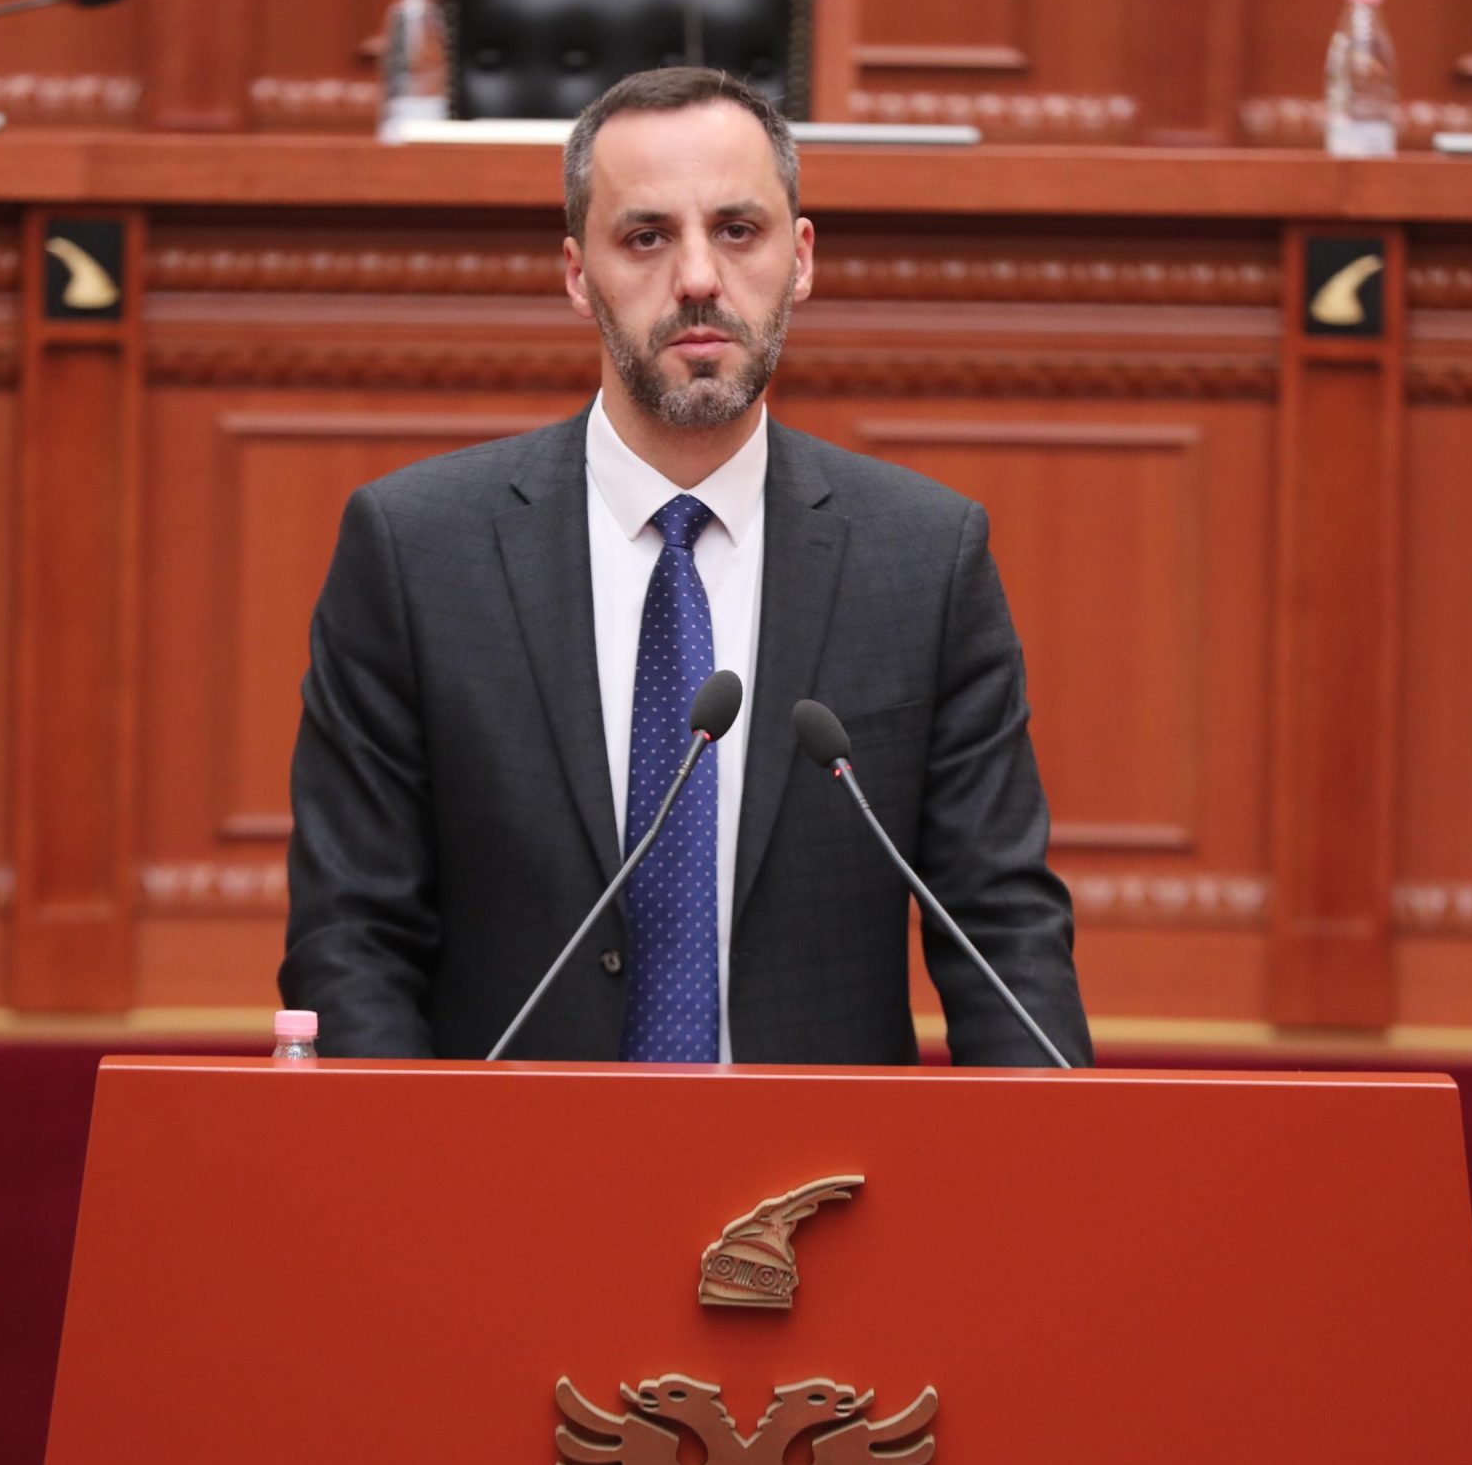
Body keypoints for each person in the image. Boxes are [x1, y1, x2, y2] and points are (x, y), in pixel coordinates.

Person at [279, 67, 1091, 1068]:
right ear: (578, 273)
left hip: (820, 1161)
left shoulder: (924, 559)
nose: (699, 277)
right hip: (508, 1156)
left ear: (800, 259)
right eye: (646, 237)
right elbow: (352, 935)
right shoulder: (415, 552)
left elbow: (1002, 930)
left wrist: (1045, 1157)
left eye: (737, 230)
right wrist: (411, 1158)